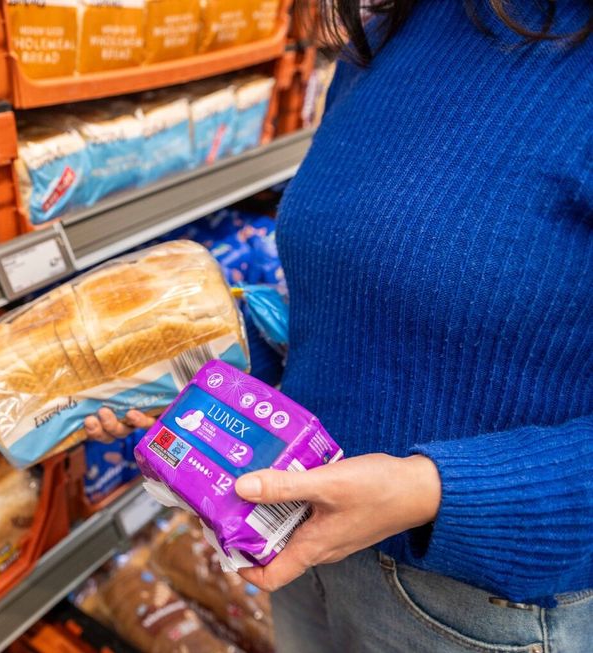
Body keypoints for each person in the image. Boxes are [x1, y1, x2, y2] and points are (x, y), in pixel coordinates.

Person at [84, 0, 593, 649]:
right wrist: (209, 377)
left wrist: (428, 490)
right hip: (299, 546)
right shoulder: (391, 35)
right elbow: (355, 315)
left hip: (475, 609)